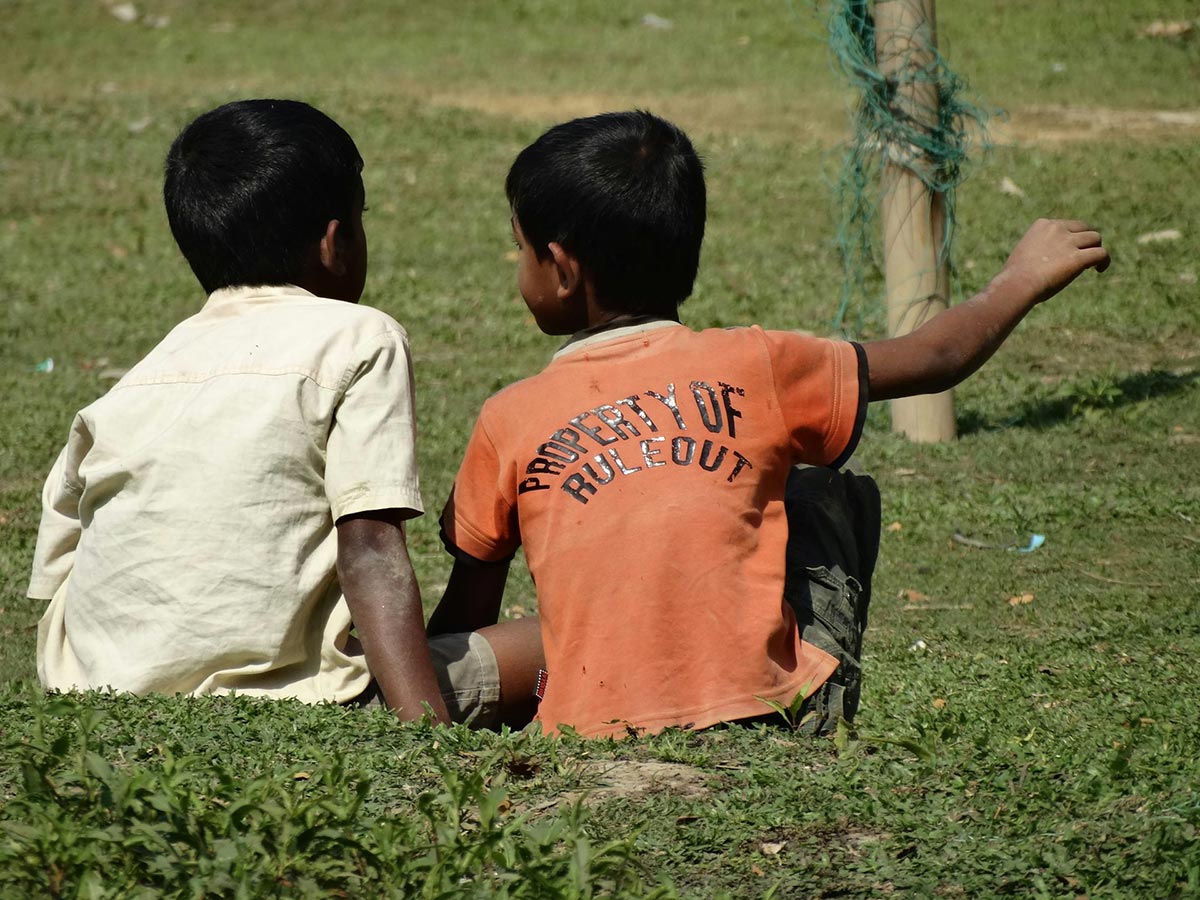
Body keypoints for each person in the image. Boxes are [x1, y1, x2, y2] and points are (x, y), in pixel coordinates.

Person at [429, 110, 1108, 739]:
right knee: (811, 487)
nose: (518, 266)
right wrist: (1021, 276)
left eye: (519, 249)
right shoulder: (757, 362)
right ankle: (799, 675)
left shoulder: (508, 416)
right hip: (769, 711)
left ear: (563, 269)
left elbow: (468, 614)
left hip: (582, 726)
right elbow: (937, 357)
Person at [28, 99, 542, 727]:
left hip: (95, 696)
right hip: (302, 701)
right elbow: (370, 547)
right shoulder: (359, 336)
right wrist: (425, 734)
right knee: (567, 635)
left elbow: (59, 568)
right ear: (335, 241)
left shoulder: (136, 380)